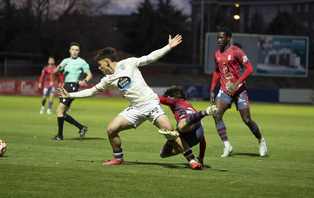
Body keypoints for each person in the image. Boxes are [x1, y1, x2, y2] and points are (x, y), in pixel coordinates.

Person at [58, 35, 204, 170]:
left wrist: (168, 47)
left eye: (100, 64)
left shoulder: (128, 63)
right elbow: (91, 91)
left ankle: (192, 161)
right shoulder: (107, 79)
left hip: (151, 103)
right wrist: (70, 94)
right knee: (111, 129)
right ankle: (118, 158)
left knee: (171, 132)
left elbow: (150, 57)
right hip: (135, 108)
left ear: (107, 62)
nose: (99, 67)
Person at [210, 27, 267, 157]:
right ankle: (227, 146)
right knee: (216, 115)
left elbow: (249, 69)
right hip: (225, 90)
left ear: (228, 38)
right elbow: (217, 72)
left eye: (221, 37)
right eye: (217, 37)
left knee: (247, 120)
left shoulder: (237, 51)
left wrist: (237, 83)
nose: (219, 40)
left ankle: (261, 140)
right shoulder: (217, 54)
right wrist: (212, 89)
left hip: (239, 90)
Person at [157, 86, 217, 165]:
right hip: (198, 134)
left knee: (180, 127)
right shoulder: (187, 105)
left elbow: (160, 99)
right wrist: (201, 157)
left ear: (171, 97)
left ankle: (204, 112)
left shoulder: (177, 101)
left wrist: (146, 92)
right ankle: (193, 161)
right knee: (164, 153)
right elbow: (203, 140)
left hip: (188, 122)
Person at [52, 42, 93, 140]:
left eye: (77, 50)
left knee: (59, 110)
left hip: (72, 87)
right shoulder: (65, 60)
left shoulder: (82, 62)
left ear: (79, 51)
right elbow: (55, 72)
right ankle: (81, 127)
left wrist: (84, 81)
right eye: (73, 49)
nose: (74, 52)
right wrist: (60, 66)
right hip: (65, 86)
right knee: (63, 113)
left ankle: (60, 135)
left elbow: (90, 74)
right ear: (69, 50)